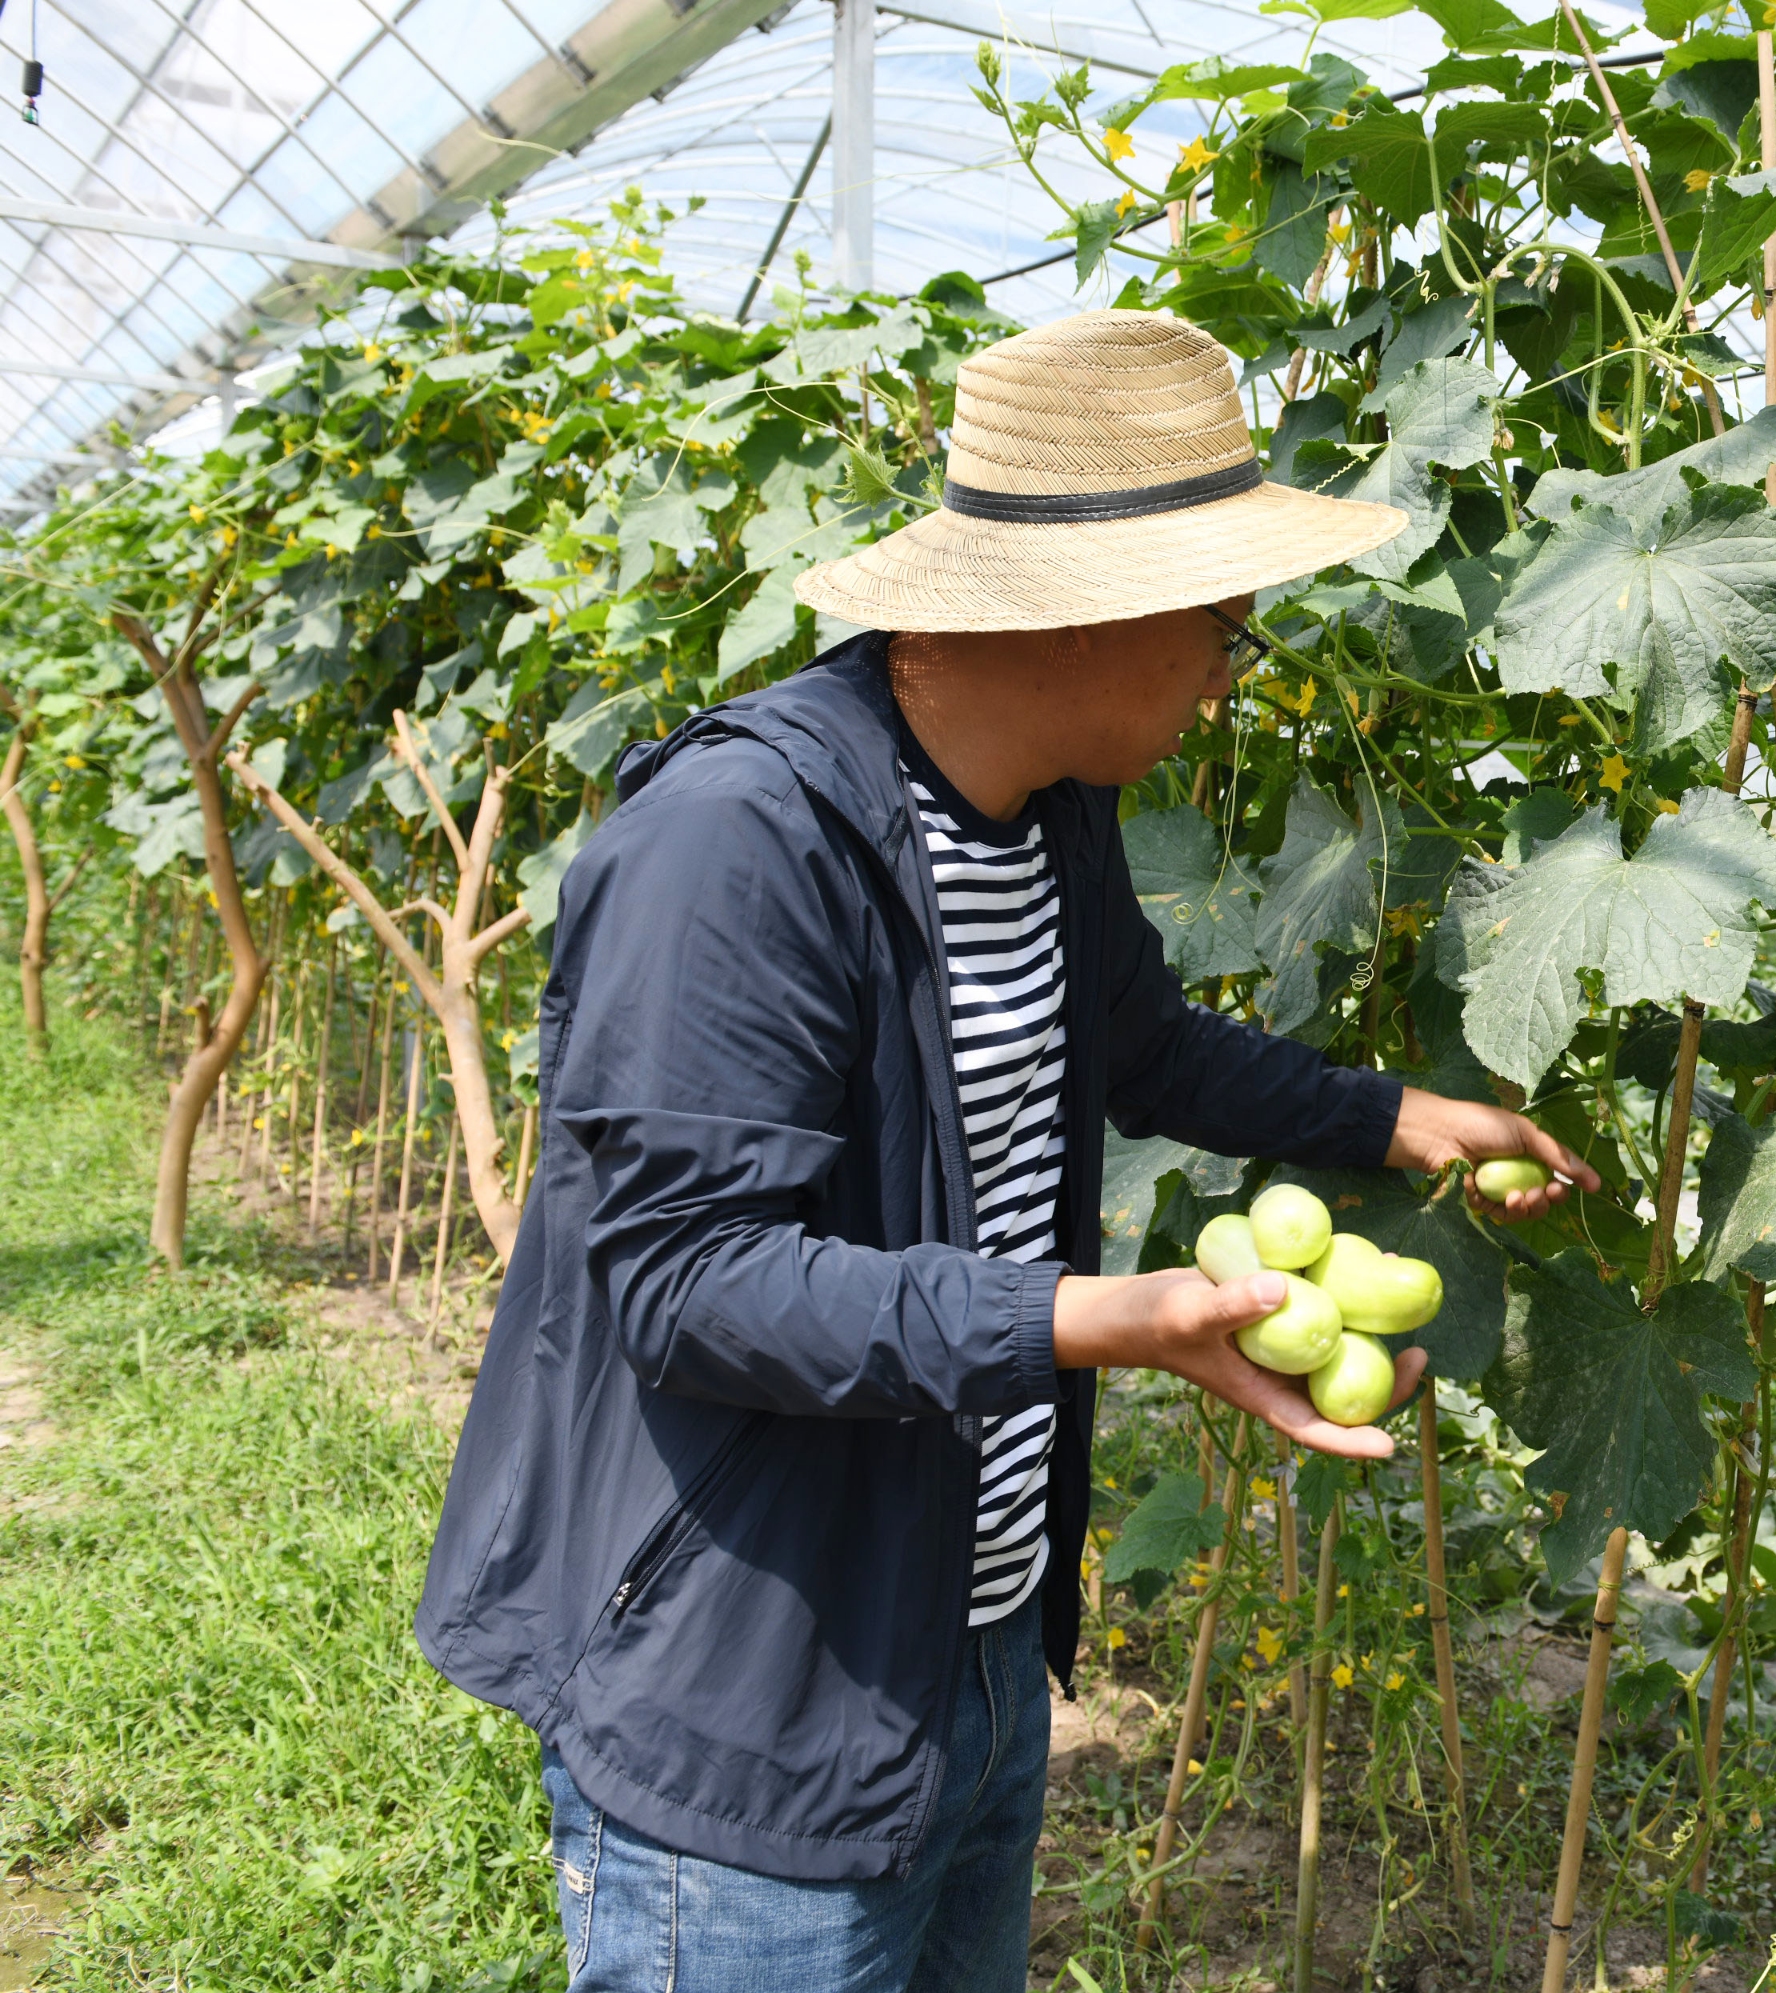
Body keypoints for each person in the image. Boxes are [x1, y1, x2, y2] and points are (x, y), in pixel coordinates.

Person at [414, 308, 1595, 1990]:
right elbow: (690, 1283)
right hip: (753, 1686)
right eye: (1224, 623)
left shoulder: (1047, 812)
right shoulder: (736, 846)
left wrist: (1392, 1119)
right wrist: (1105, 1318)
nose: (1227, 668)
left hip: (969, 1648)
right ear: (1092, 611)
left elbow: (1142, 1049)